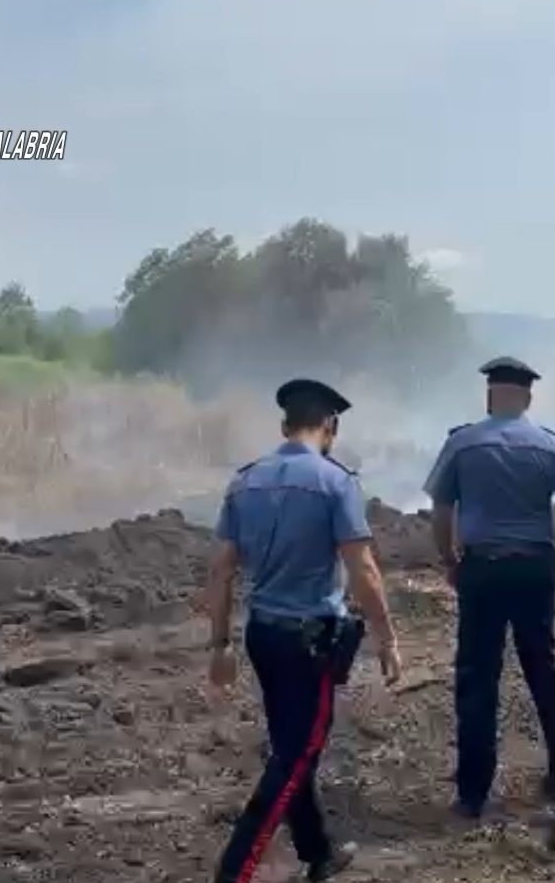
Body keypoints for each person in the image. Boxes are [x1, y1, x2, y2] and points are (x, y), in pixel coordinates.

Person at [202, 377, 403, 883]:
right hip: (308, 642)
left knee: (291, 748)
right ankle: (235, 872)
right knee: (296, 758)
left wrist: (219, 643)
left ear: (284, 425)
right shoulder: (336, 482)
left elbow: (221, 569)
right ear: (330, 426)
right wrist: (387, 637)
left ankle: (318, 854)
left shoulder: (244, 481)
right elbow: (363, 569)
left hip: (262, 638)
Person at [423, 356, 555, 819]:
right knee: (544, 673)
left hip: (481, 571)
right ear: (527, 397)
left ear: (489, 395)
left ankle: (472, 794)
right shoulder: (551, 447)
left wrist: (450, 561)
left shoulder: (462, 444)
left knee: (478, 679)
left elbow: (441, 512)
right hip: (534, 572)